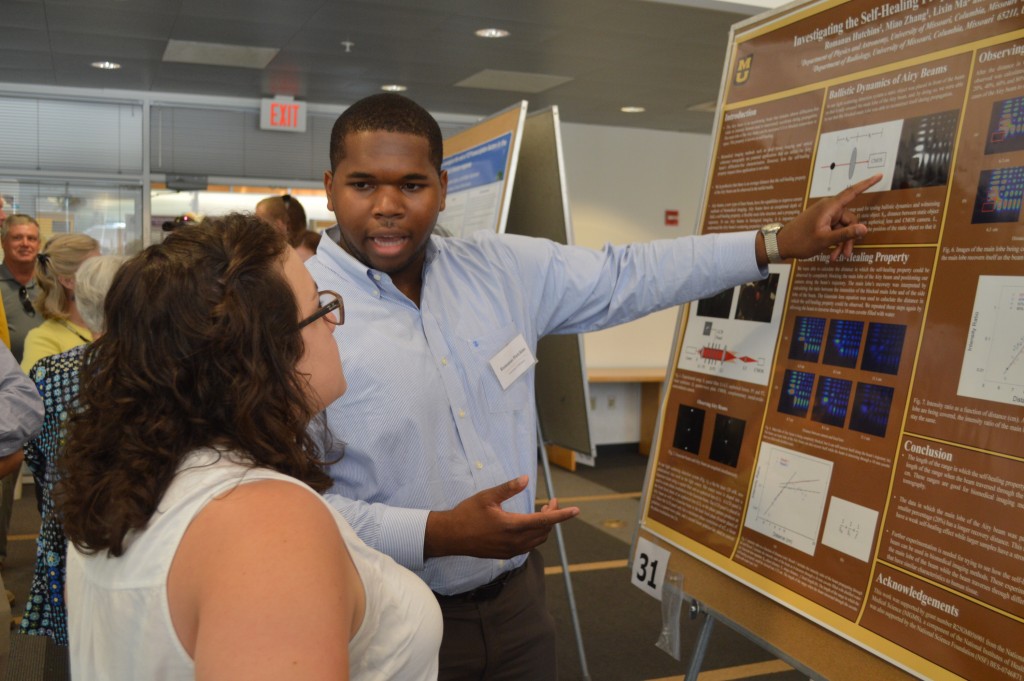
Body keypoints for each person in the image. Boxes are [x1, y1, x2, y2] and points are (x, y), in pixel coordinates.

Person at [306, 92, 882, 680]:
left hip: (518, 605)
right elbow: (286, 499)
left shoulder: (498, 270)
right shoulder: (289, 311)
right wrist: (436, 533)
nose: (387, 206)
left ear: (443, 187)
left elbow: (627, 274)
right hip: (381, 614)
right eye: (362, 185)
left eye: (410, 184)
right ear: (329, 187)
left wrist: (776, 242)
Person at [59, 214, 441, 681]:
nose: (335, 326)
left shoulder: (135, 477)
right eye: (319, 310)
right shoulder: (263, 523)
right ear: (260, 354)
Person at [20, 255, 125, 645]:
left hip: (64, 533)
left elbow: (37, 458)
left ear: (80, 303)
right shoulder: (156, 372)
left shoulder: (49, 374)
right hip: (131, 533)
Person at [0, 213, 44, 571]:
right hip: (8, 405)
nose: (25, 243)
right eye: (17, 237)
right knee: (2, 494)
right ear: (4, 242)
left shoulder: (49, 288)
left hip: (48, 402)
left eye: (31, 238)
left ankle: (53, 568)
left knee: (52, 490)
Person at [20, 233, 99, 372]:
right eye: (95, 270)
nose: (104, 276)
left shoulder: (112, 326)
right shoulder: (43, 339)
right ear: (69, 281)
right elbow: (37, 391)